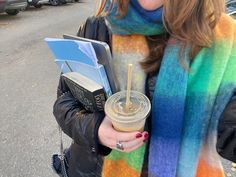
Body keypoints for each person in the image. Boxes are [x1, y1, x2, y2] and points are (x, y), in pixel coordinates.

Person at [53, 0, 236, 177]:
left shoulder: (223, 39)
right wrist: (96, 130)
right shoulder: (97, 27)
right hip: (96, 169)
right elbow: (65, 101)